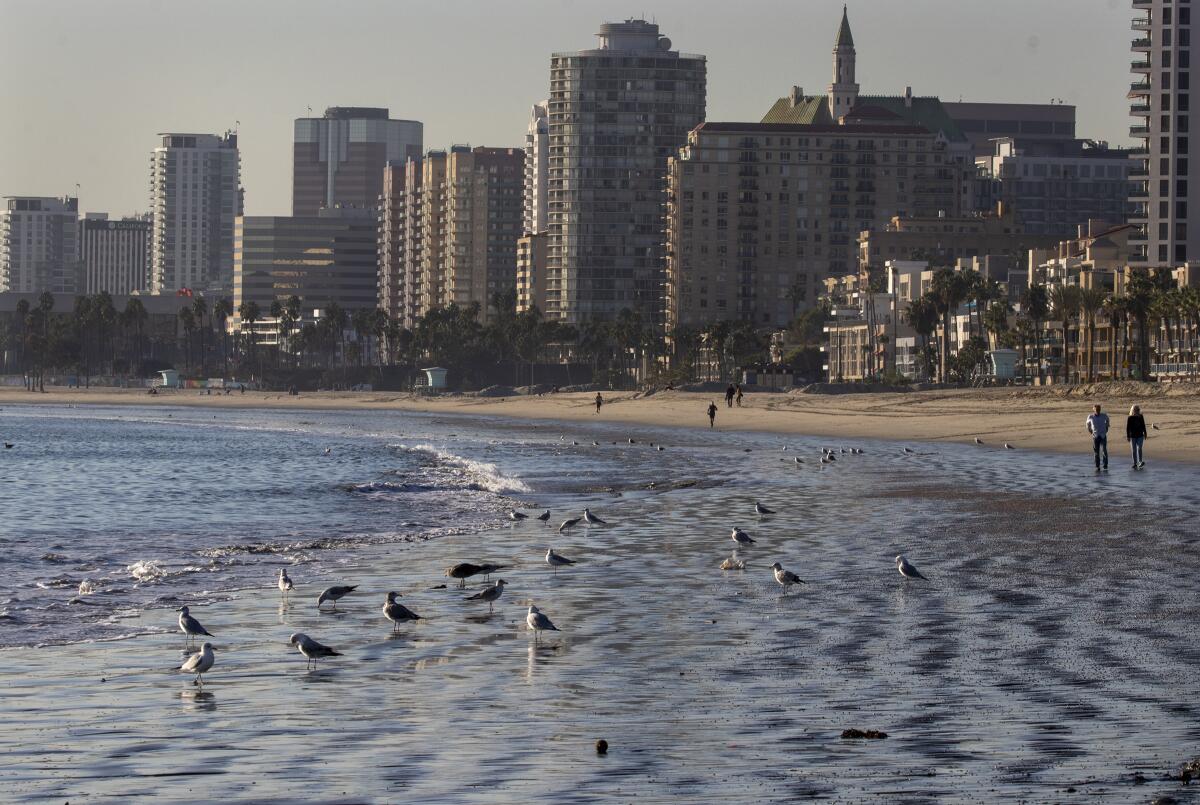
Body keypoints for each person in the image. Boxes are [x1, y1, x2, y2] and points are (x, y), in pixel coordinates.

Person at [1086, 404, 1110, 472]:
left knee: (1104, 451)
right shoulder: (1090, 416)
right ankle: (1097, 466)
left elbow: (1108, 420)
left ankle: (1105, 465)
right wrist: (1090, 430)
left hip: (1103, 435)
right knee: (1096, 452)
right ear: (1094, 409)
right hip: (1095, 436)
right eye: (1096, 410)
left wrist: (1107, 427)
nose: (1098, 411)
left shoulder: (1104, 415)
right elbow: (1087, 424)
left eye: (1099, 409)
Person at [1126, 404, 1147, 469]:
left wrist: (1145, 433)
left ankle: (1140, 461)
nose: (1138, 410)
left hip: (1140, 435)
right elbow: (1128, 427)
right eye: (1136, 409)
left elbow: (1143, 425)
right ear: (1133, 410)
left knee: (1139, 448)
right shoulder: (1130, 417)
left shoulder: (1140, 416)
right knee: (1134, 450)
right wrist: (1128, 436)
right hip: (1132, 436)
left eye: (1138, 409)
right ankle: (1135, 463)